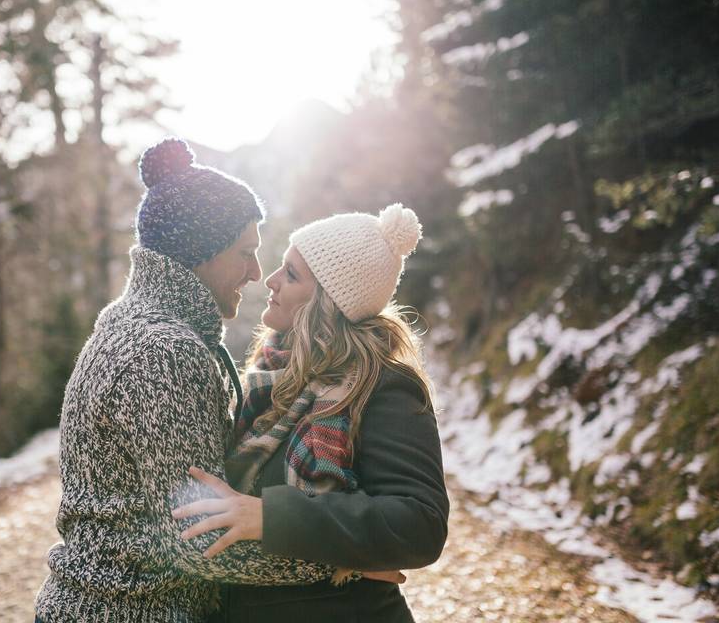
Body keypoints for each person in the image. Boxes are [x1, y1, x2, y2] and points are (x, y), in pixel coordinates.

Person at [33, 138, 340, 623]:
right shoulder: (166, 353)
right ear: (202, 251)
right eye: (245, 252)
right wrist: (339, 565)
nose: (257, 273)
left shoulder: (132, 321)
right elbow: (197, 540)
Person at [173, 204, 450, 622]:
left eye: (292, 274)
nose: (270, 280)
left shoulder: (382, 386)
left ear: (328, 302)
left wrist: (271, 516)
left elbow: (420, 523)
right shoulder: (267, 378)